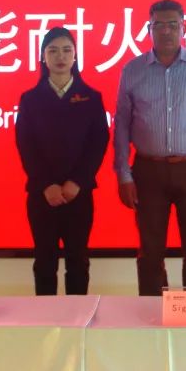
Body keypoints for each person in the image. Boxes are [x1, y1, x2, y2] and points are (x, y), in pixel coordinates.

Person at [113, 0, 186, 296]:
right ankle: (152, 314)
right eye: (159, 25)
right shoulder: (132, 70)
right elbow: (122, 125)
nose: (166, 31)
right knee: (150, 252)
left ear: (184, 28)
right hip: (148, 170)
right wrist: (124, 174)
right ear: (149, 29)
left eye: (173, 24)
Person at [14, 26, 109, 295]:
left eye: (67, 50)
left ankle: (78, 317)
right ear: (43, 56)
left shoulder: (91, 97)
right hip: (42, 194)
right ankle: (46, 316)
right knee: (45, 260)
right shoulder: (30, 99)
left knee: (77, 260)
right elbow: (26, 145)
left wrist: (77, 181)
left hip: (78, 193)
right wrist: (46, 184)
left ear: (75, 56)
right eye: (53, 50)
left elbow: (98, 143)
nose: (60, 56)